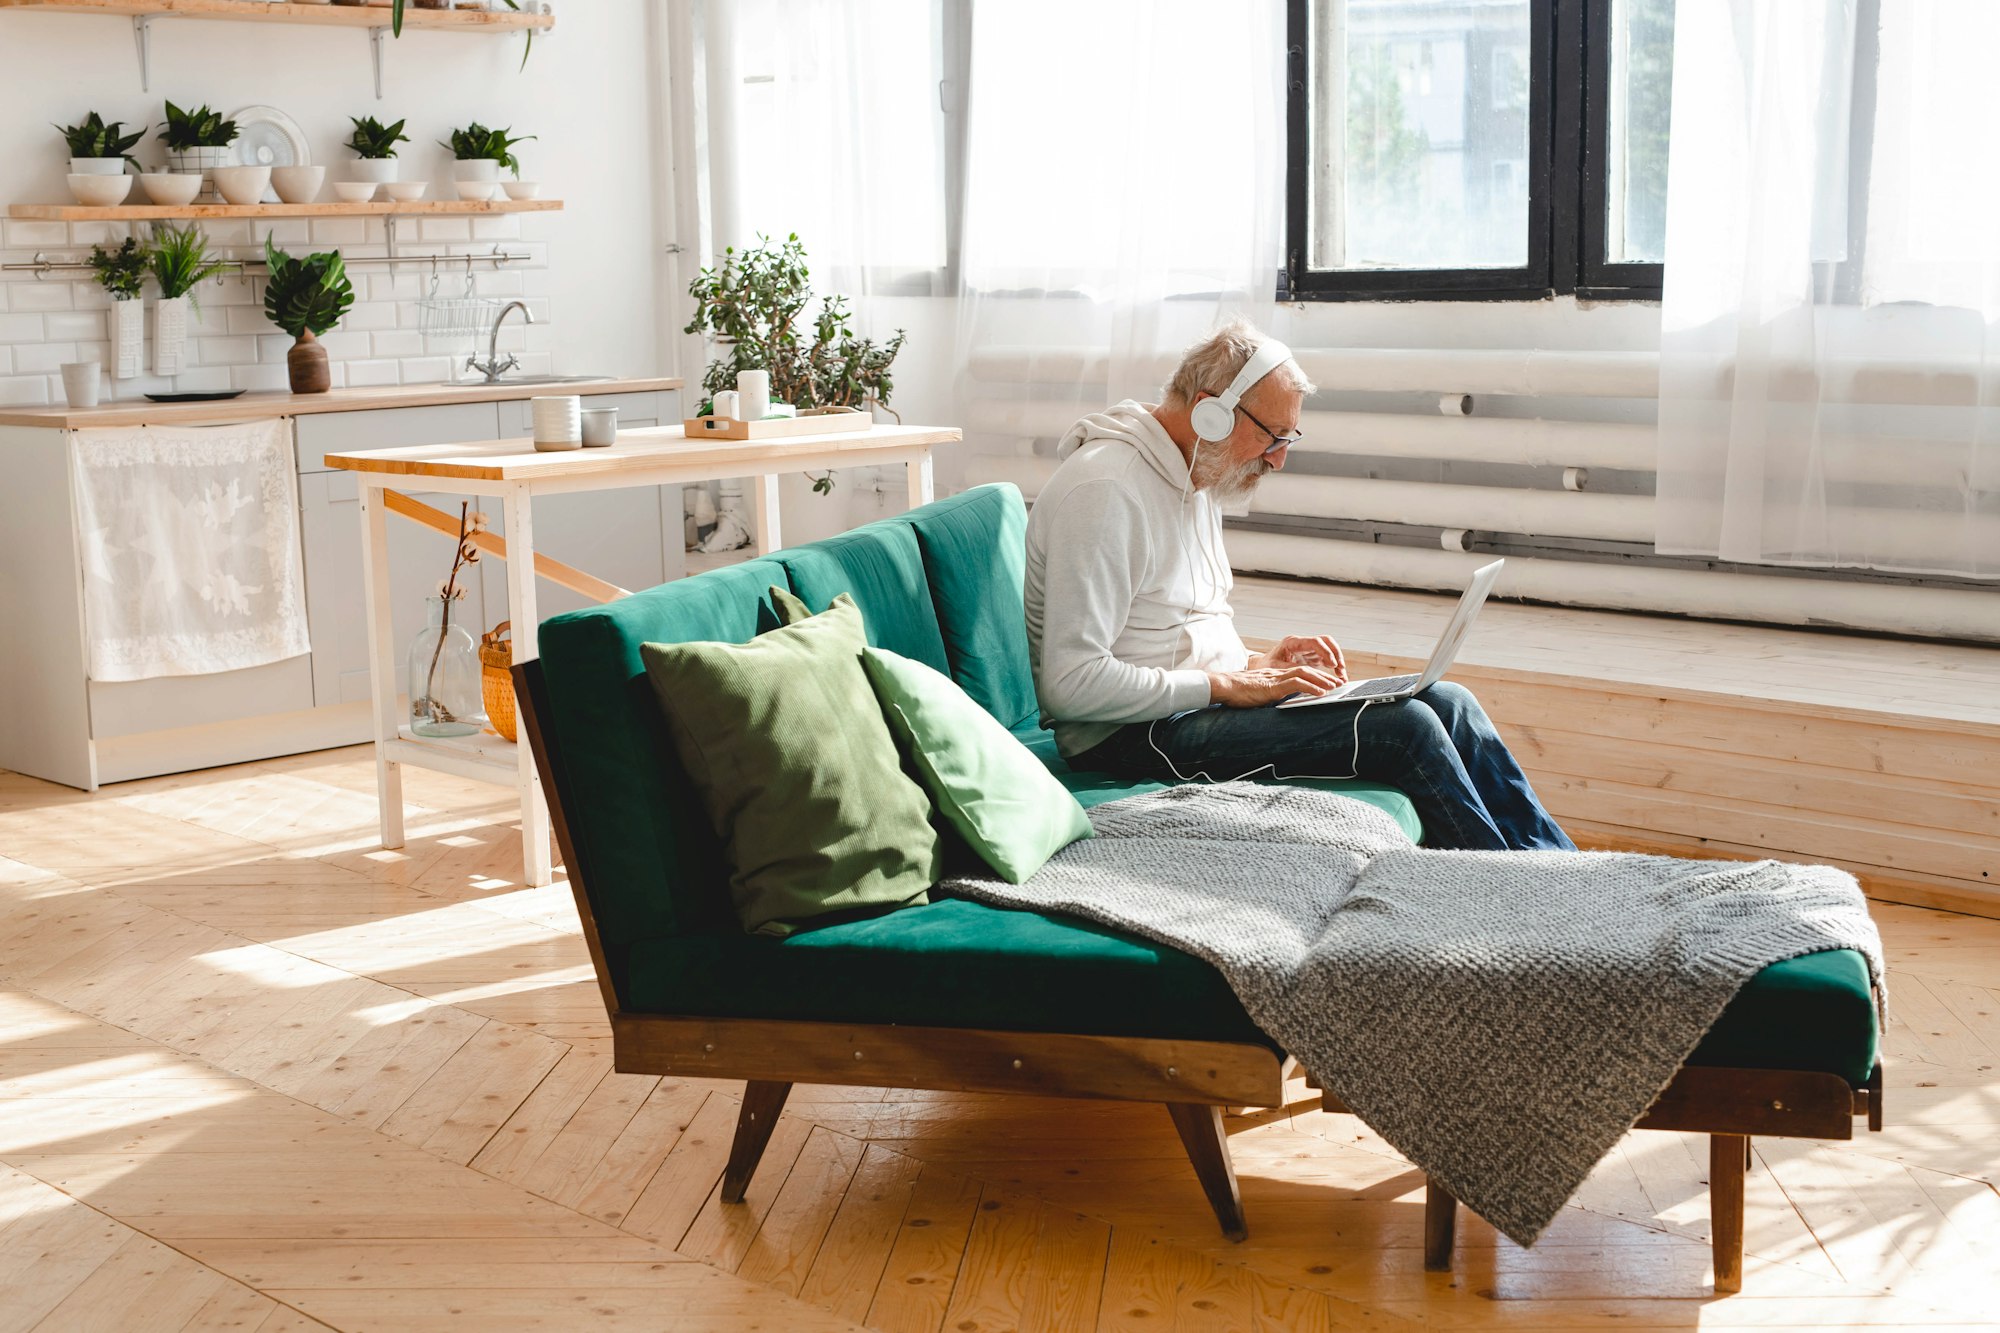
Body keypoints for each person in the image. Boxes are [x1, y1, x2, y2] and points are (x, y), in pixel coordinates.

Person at [1023, 320, 1575, 852]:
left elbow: (1175, 628)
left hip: (1184, 709)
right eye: (1273, 436)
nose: (1280, 459)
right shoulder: (1106, 492)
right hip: (1128, 736)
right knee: (1404, 727)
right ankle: (1511, 888)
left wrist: (1256, 664)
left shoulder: (1191, 473)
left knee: (1448, 700)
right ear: (1211, 413)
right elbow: (1070, 688)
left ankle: (1561, 874)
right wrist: (1230, 687)